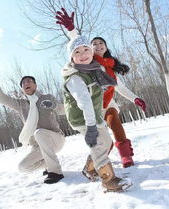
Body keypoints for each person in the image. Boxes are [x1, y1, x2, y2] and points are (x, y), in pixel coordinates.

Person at [56, 9, 132, 192]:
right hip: (81, 117)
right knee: (98, 144)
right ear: (72, 58)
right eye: (77, 52)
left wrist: (72, 29)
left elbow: (116, 85)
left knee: (107, 143)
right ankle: (109, 180)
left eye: (86, 50)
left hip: (94, 114)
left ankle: (89, 169)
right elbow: (84, 102)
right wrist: (91, 127)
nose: (83, 54)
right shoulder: (75, 77)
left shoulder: (93, 68)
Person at [0, 72, 65, 184]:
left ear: (35, 85)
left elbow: (62, 110)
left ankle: (55, 172)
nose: (26, 83)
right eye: (23, 83)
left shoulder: (46, 98)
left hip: (55, 139)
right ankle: (50, 164)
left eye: (29, 81)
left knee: (39, 132)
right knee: (23, 167)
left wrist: (54, 105)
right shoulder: (21, 104)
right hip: (37, 145)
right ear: (22, 89)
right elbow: (3, 99)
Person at [91, 37, 146, 168]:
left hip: (108, 103)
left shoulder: (109, 65)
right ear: (90, 48)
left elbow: (119, 87)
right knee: (100, 137)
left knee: (114, 120)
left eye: (101, 43)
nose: (98, 45)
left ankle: (125, 155)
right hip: (93, 105)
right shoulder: (87, 63)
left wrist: (135, 98)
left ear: (106, 46)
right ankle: (100, 158)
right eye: (94, 44)